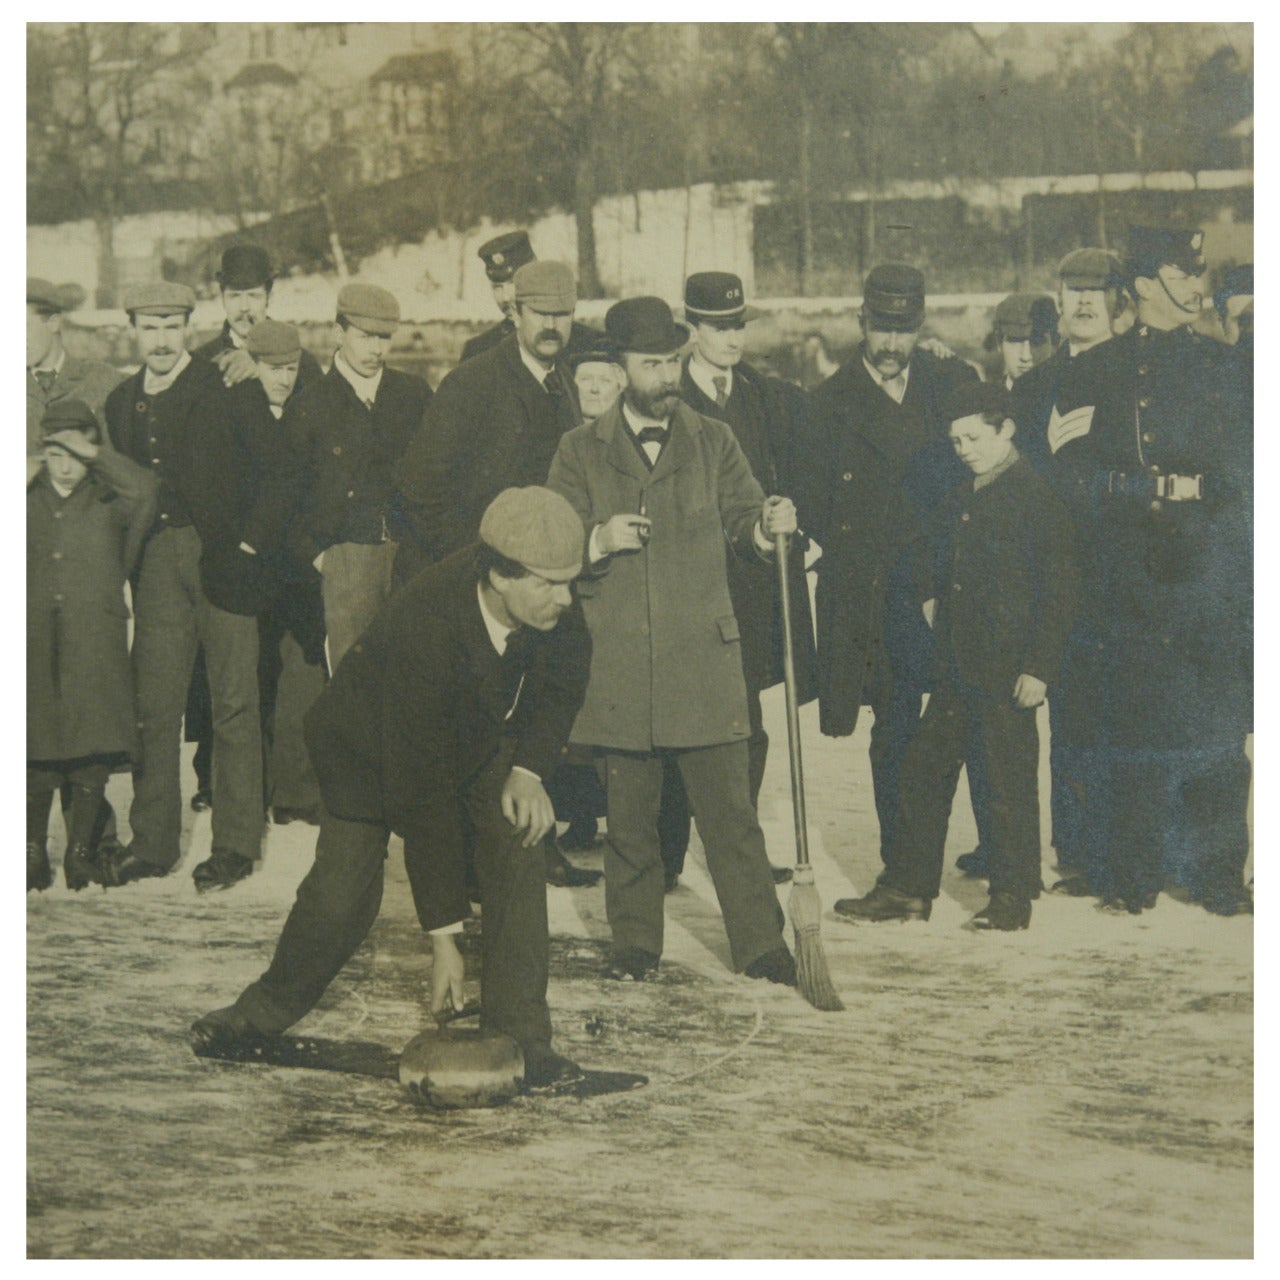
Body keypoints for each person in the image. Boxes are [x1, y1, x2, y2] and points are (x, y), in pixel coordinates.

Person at [190, 487, 594, 1089]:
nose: (566, 598)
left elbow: (564, 683)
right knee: (341, 896)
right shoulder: (426, 626)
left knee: (519, 837)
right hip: (368, 750)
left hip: (468, 737)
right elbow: (423, 796)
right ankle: (256, 1015)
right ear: (500, 576)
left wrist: (528, 771)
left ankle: (524, 1039)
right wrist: (445, 939)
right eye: (551, 585)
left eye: (570, 582)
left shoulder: (553, 598)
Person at [547, 295, 798, 986]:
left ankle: (761, 944)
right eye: (651, 364)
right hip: (621, 663)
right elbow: (557, 539)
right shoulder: (579, 451)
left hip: (702, 660)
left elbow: (743, 517)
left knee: (732, 818)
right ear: (618, 369)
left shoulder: (713, 439)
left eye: (672, 362)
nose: (666, 377)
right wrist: (600, 539)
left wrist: (766, 526)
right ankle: (635, 942)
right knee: (629, 823)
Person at [1045, 226, 1252, 916]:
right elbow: (1066, 477)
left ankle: (1217, 874)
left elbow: (1248, 471)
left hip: (1208, 572)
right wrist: (1134, 498)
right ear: (1142, 285)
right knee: (1132, 725)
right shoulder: (1092, 372)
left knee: (1218, 729)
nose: (1196, 286)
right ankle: (1131, 874)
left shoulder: (1226, 366)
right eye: (1181, 274)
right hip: (1129, 574)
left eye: (1198, 274)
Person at [834, 383, 1079, 929]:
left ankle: (1012, 898)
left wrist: (1039, 668)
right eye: (956, 441)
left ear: (1006, 429)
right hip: (955, 671)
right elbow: (925, 546)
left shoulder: (1037, 499)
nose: (964, 449)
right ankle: (907, 890)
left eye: (973, 437)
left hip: (1007, 675)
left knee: (1007, 786)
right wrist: (929, 594)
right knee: (921, 775)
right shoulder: (962, 495)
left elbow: (1059, 594)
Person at [395, 260, 599, 889]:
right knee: (473, 726)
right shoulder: (472, 384)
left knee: (540, 704)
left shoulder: (565, 386)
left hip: (541, 585)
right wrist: (479, 569)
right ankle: (465, 865)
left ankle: (533, 843)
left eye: (563, 315)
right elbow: (418, 490)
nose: (552, 327)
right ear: (514, 313)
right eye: (541, 314)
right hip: (484, 585)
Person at [793, 263, 978, 875]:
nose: (893, 344)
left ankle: (991, 863)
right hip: (878, 595)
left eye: (905, 330)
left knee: (962, 722)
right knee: (893, 730)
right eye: (881, 328)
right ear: (860, 322)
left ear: (921, 328)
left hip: (947, 586)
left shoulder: (949, 383)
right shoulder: (827, 405)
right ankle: (902, 870)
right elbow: (815, 505)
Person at [102, 282, 267, 891]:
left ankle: (236, 844)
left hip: (222, 556)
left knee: (233, 702)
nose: (162, 340)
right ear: (133, 331)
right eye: (150, 327)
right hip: (155, 565)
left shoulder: (224, 383)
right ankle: (151, 841)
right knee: (155, 704)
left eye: (172, 326)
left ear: (189, 328)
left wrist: (248, 546)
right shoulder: (121, 401)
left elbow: (267, 465)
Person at [678, 269, 818, 888]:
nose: (732, 338)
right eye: (718, 327)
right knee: (681, 720)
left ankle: (740, 848)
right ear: (692, 329)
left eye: (738, 325)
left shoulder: (763, 397)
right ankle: (668, 850)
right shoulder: (670, 396)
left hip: (754, 583)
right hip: (689, 586)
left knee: (749, 723)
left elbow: (790, 471)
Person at [184, 245, 325, 811]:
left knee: (288, 657)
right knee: (222, 665)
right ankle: (214, 776)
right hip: (229, 538)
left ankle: (288, 782)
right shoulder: (203, 363)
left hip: (286, 539)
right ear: (220, 297)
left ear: (270, 295)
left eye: (254, 296)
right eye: (234, 296)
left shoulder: (299, 361)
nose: (244, 308)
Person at [1009, 249, 1125, 888]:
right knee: (1071, 718)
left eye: (1096, 290)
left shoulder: (1135, 374)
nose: (1083, 301)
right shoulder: (1035, 386)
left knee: (1124, 715)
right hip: (1054, 577)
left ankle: (1131, 853)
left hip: (1122, 576)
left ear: (1118, 300)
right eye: (1073, 289)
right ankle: (1079, 853)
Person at [27, 400, 157, 891]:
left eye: (76, 455)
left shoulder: (111, 498)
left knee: (92, 746)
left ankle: (80, 852)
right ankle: (30, 850)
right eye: (55, 454)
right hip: (33, 640)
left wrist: (94, 454)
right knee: (34, 745)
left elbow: (147, 490)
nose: (65, 467)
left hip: (94, 641)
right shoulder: (26, 496)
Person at [26, 276, 129, 856]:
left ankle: (93, 838)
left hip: (85, 564)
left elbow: (122, 473)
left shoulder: (100, 381)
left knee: (86, 704)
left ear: (53, 321)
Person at [283, 282, 432, 672]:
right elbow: (287, 497)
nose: (377, 349)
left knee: (413, 678)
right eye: (366, 337)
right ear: (339, 333)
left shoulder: (413, 395)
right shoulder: (309, 406)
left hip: (409, 560)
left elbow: (436, 476)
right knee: (354, 683)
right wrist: (323, 559)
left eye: (384, 338)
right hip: (345, 562)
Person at [232, 318, 328, 825]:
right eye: (273, 369)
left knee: (302, 679)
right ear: (253, 367)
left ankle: (295, 791)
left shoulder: (309, 412)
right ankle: (251, 790)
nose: (284, 380)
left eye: (291, 369)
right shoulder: (235, 413)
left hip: (297, 570)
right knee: (251, 679)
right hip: (250, 568)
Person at [459, 230, 600, 365]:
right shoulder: (478, 350)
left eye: (513, 284)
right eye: (497, 287)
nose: (505, 298)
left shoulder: (590, 343)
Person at [986, 292, 1058, 390]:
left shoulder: (1070, 397)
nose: (1025, 356)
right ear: (999, 343)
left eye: (1037, 341)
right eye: (1015, 340)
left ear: (1054, 343)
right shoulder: (985, 398)